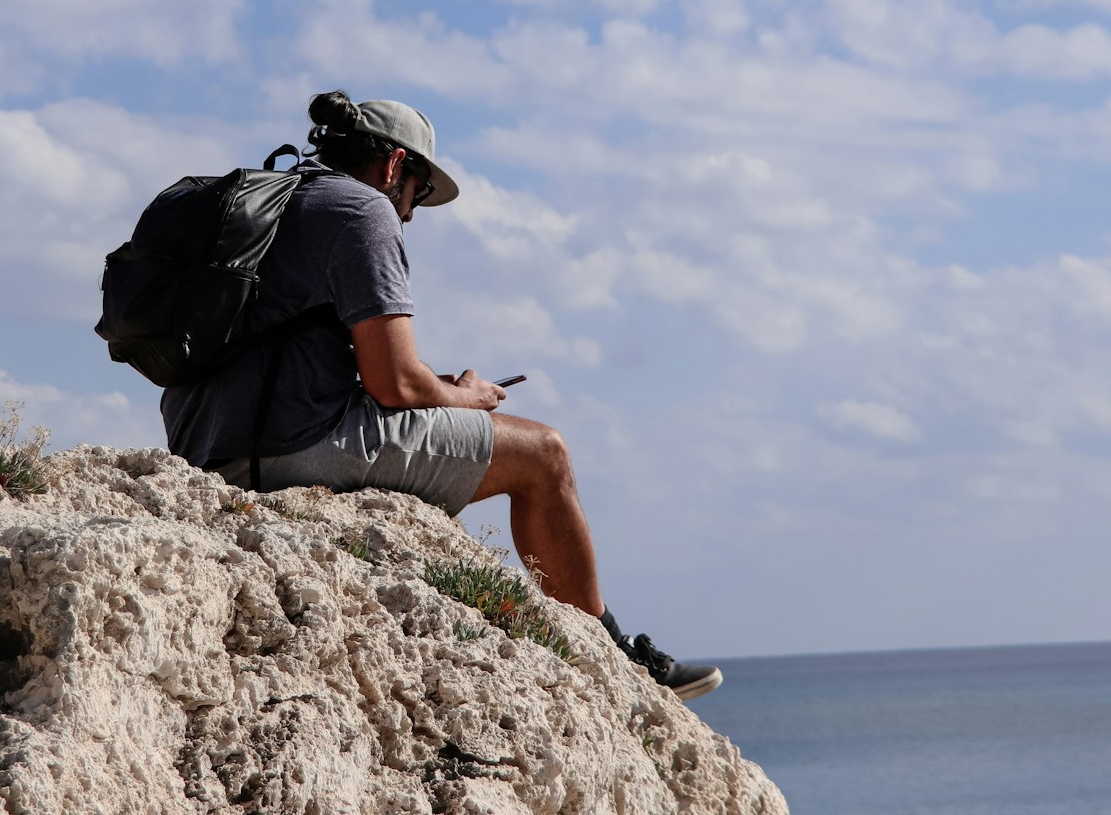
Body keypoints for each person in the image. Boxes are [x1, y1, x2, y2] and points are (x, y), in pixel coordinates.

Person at [160, 90, 721, 699]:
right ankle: (615, 666)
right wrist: (472, 398)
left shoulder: (269, 203)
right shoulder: (359, 210)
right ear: (395, 167)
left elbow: (353, 362)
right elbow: (394, 382)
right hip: (288, 448)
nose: (410, 214)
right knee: (544, 454)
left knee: (451, 440)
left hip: (199, 445)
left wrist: (441, 390)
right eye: (419, 192)